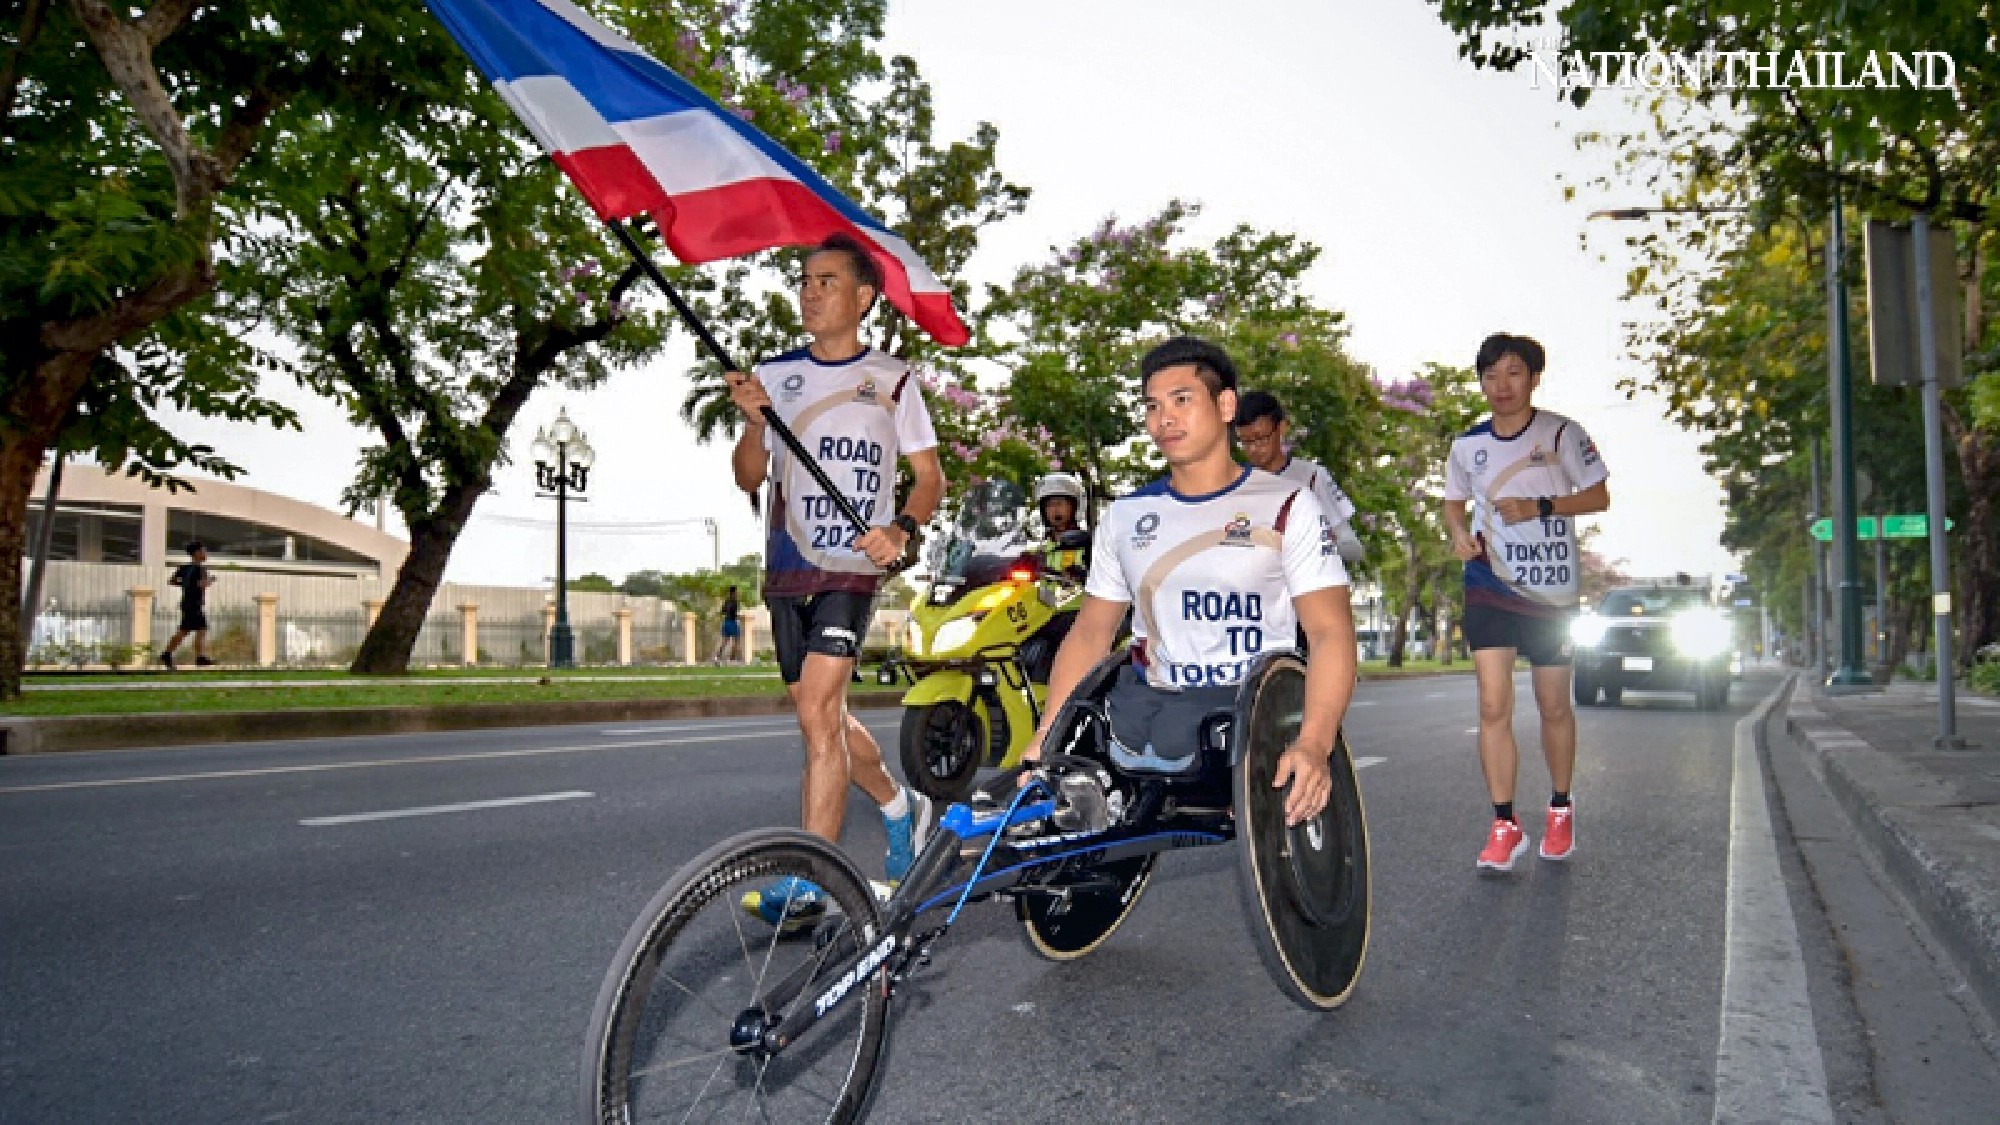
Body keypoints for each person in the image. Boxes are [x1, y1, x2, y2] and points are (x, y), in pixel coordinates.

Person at [1017, 337, 1358, 829]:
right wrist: (1044, 741)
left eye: (1181, 400)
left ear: (1224, 406)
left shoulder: (1288, 505)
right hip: (1149, 709)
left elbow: (1330, 632)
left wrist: (1314, 742)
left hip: (1244, 711)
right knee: (1031, 818)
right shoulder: (1125, 516)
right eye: (1153, 407)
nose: (1164, 420)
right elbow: (1091, 633)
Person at [725, 232, 946, 930]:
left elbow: (929, 478)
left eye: (825, 281)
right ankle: (900, 807)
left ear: (863, 298)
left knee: (819, 715)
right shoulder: (775, 374)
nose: (810, 292)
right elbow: (748, 477)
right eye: (805, 280)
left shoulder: (894, 380)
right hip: (788, 566)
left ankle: (812, 879)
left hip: (851, 568)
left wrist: (902, 530)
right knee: (824, 719)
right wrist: (756, 424)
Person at [1443, 333, 1610, 870]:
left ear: (1534, 377)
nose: (1501, 386)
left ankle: (1560, 808)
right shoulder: (1468, 444)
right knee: (1493, 704)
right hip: (1489, 582)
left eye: (1513, 373)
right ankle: (1504, 822)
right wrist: (1458, 536)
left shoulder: (1562, 434)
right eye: (1491, 376)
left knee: (1552, 703)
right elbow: (1453, 503)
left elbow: (1599, 495)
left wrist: (1541, 505)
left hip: (1550, 588)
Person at [1231, 390, 1365, 564]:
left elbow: (1352, 549)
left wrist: (1317, 546)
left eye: (1261, 438)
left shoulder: (1312, 477)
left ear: (1282, 428)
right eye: (1246, 441)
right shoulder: (1233, 483)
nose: (1254, 449)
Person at [158, 541, 216, 670]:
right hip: (195, 603)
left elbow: (172, 581)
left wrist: (185, 585)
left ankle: (170, 654)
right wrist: (210, 580)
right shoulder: (201, 569)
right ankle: (196, 657)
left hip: (186, 602)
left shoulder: (184, 568)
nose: (205, 554)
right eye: (203, 551)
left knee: (189, 629)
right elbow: (201, 584)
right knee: (194, 629)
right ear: (196, 553)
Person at [1033, 470, 1089, 579]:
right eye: (1049, 505)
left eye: (1060, 503)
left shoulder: (1089, 546)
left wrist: (1086, 575)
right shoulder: (1039, 550)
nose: (1055, 509)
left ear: (1075, 507)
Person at [713, 585, 742, 665]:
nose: (738, 593)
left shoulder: (727, 601)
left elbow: (722, 611)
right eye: (737, 591)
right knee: (736, 641)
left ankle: (717, 657)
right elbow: (734, 613)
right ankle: (731, 659)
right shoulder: (735, 602)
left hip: (726, 622)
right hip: (732, 622)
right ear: (734, 592)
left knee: (724, 642)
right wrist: (739, 617)